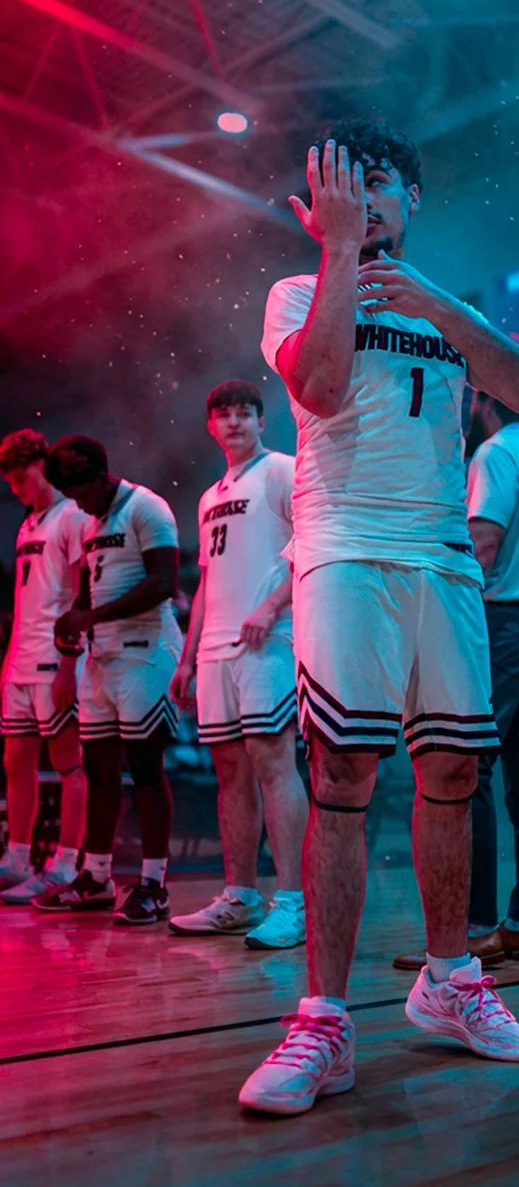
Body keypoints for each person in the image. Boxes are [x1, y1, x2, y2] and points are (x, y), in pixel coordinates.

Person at [239, 119, 519, 1116]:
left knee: (453, 773)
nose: (359, 197)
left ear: (411, 195)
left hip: (443, 556)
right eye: (340, 182)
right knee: (344, 773)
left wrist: (437, 303)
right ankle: (324, 1019)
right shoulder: (298, 291)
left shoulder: (443, 303)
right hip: (343, 548)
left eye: (374, 180)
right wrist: (340, 254)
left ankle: (450, 981)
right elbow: (322, 387)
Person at [393, 392, 519, 971]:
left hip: (503, 627)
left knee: (466, 768)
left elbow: (483, 544)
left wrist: (441, 609)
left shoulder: (496, 455)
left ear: (485, 400)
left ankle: (472, 930)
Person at [168, 380, 308, 949]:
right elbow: (206, 581)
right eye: (223, 414)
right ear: (211, 426)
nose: (233, 422)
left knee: (275, 765)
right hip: (216, 647)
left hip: (269, 639)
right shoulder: (209, 497)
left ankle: (293, 903)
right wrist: (188, 656)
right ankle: (240, 897)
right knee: (230, 774)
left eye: (244, 413)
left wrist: (271, 608)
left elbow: (312, 545)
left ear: (260, 420)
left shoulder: (283, 471)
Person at [32, 436, 182, 925]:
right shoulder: (92, 521)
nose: (79, 504)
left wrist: (93, 616)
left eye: (82, 493)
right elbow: (88, 591)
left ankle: (154, 885)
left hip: (147, 651)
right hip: (103, 657)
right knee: (98, 768)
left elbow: (164, 582)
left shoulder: (146, 507)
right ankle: (96, 877)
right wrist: (72, 627)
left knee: (145, 766)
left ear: (101, 476)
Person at [0, 429, 87, 903]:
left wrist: (70, 663)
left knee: (68, 762)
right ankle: (18, 857)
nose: (16, 490)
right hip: (21, 659)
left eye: (20, 479)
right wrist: (9, 660)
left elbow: (79, 593)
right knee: (15, 761)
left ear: (40, 466)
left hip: (55, 659)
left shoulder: (71, 515)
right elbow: (23, 599)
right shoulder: (27, 524)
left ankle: (66, 864)